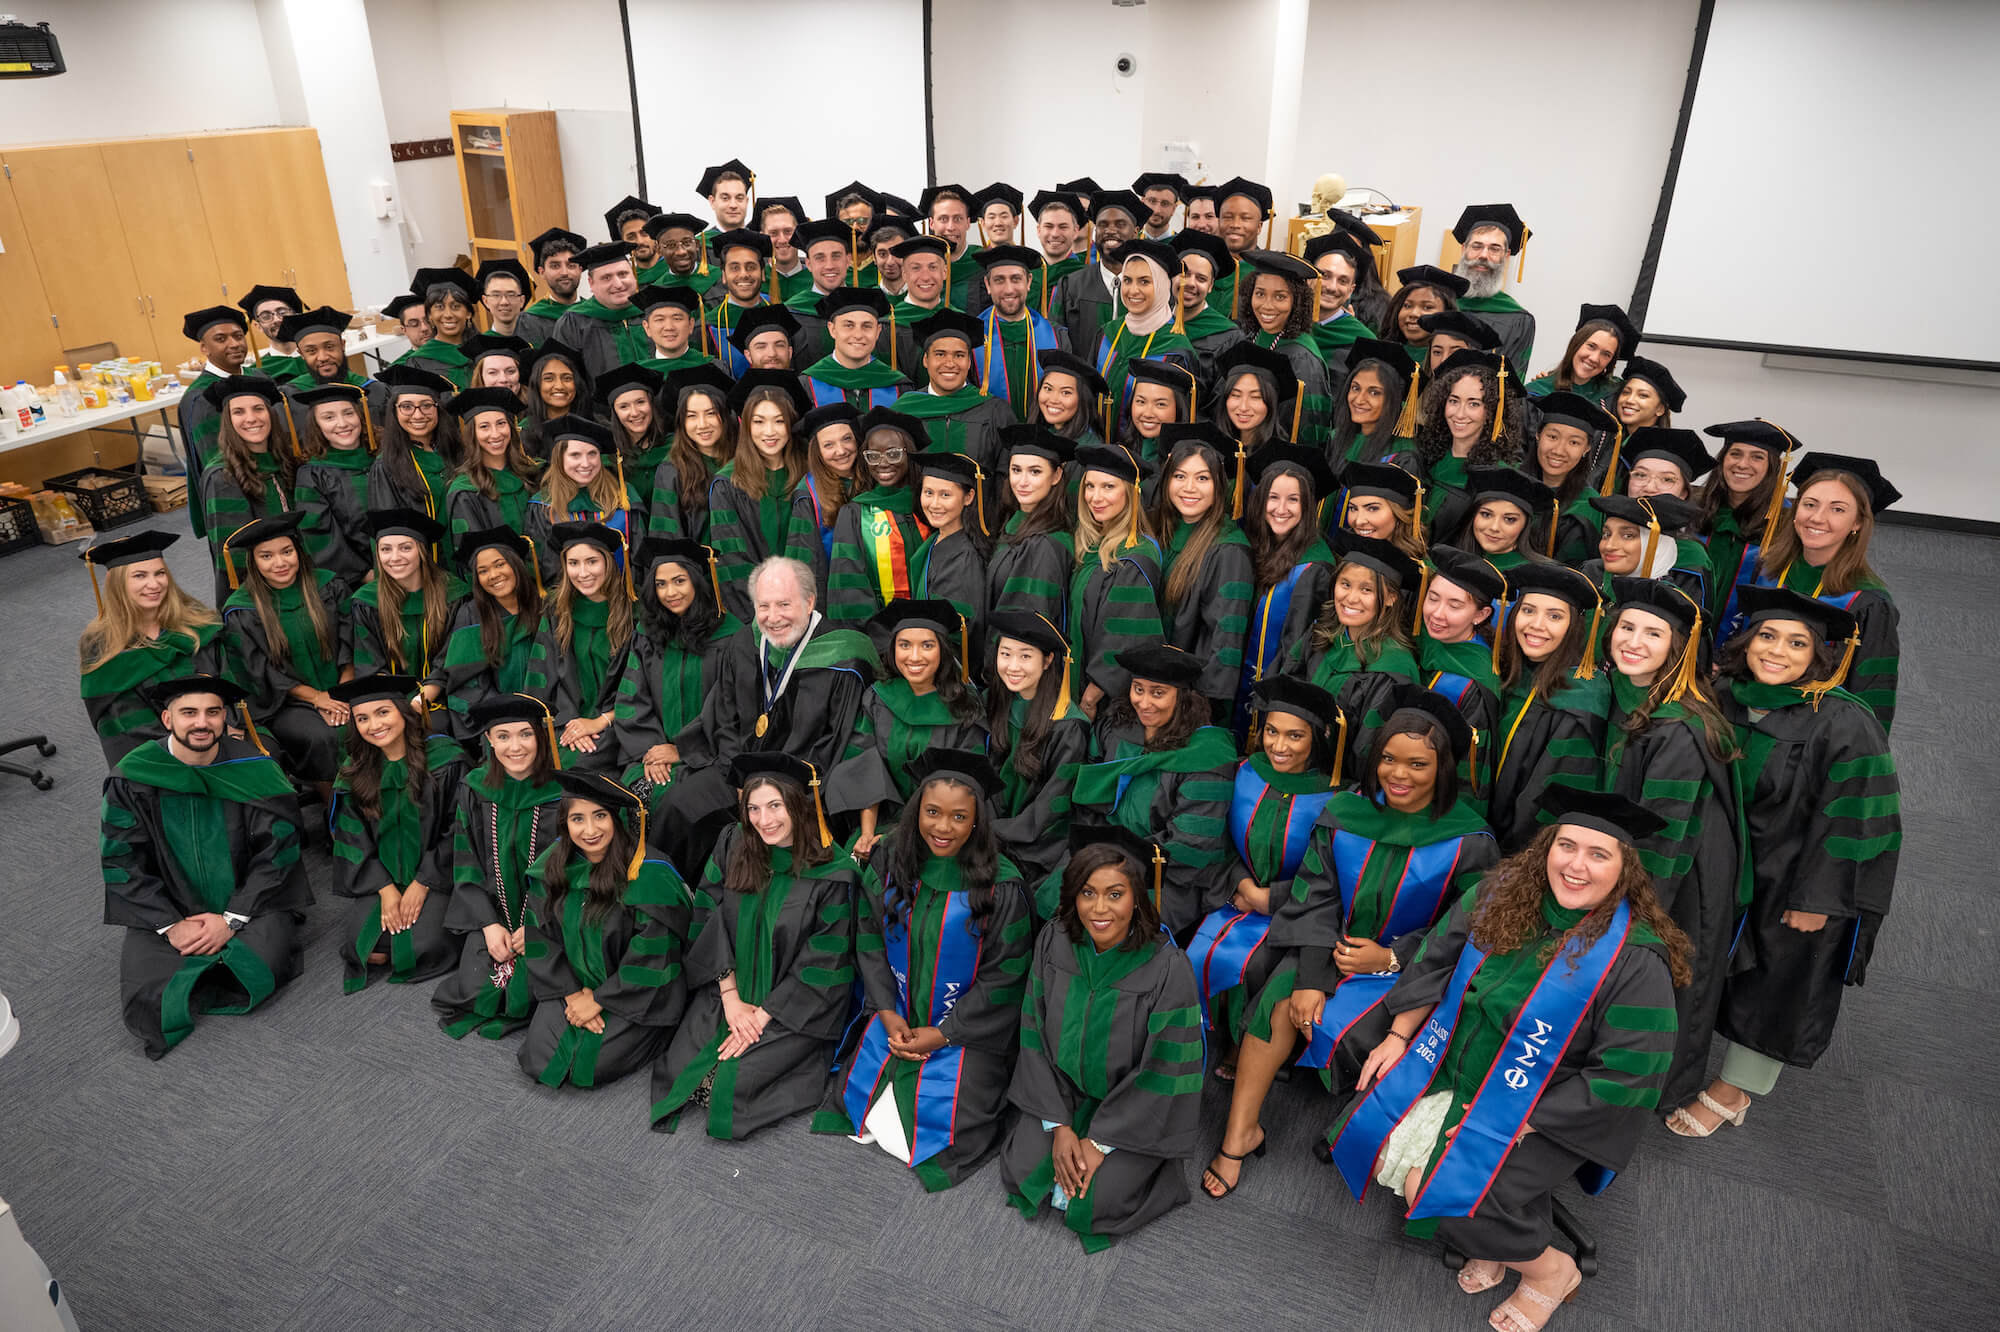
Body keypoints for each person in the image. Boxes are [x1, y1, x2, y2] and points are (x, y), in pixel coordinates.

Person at [1326, 789, 1688, 1331]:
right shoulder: (1500, 894)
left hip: (1552, 1109)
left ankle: (1548, 1269)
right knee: (1372, 1135)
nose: (1576, 865)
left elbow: (1627, 1077)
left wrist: (1517, 1120)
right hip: (1453, 1060)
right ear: (1547, 848)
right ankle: (1497, 1231)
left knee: (1434, 1191)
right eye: (1567, 846)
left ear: (1625, 871)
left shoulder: (1634, 960)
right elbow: (1435, 960)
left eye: (1598, 855)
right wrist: (1400, 1036)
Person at [1203, 688, 1497, 1199]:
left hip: (1414, 971)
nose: (1398, 775)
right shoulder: (1345, 814)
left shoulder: (1469, 841)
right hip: (1331, 947)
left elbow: (1465, 931)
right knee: (1277, 1003)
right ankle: (1239, 1134)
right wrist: (1313, 976)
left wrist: (1392, 956)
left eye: (1417, 764)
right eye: (1387, 758)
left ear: (1443, 768)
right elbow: (1316, 896)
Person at [1679, 587, 1900, 1137]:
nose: (1777, 651)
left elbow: (1861, 819)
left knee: (1782, 973)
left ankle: (1735, 1088)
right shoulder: (1723, 693)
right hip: (1726, 862)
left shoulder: (1845, 723)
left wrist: (1819, 899)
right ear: (1747, 641)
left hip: (1799, 874)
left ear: (1820, 656)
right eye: (1767, 636)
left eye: (1797, 643)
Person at [819, 751, 1033, 1190]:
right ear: (917, 811)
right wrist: (885, 1009)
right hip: (896, 1008)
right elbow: (870, 937)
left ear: (976, 821)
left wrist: (945, 1032)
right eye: (932, 812)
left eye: (959, 817)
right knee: (857, 1092)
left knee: (955, 1117)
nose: (943, 827)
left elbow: (1003, 980)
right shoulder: (892, 858)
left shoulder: (1000, 886)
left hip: (966, 1028)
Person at [1001, 826, 1205, 1251]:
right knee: (1026, 1169)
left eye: (1115, 894)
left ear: (1137, 897)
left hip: (1131, 1112)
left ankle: (1127, 1156)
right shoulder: (1054, 940)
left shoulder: (1168, 969)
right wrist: (1058, 1127)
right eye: (1087, 893)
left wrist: (1099, 1141)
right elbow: (1034, 1031)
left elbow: (1164, 1070)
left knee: (1100, 1199)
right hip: (1063, 1094)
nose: (1100, 909)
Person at [100, 674, 312, 1059]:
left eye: (212, 712)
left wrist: (231, 917)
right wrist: (170, 924)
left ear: (223, 718)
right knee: (147, 995)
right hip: (172, 903)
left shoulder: (255, 770)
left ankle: (225, 943)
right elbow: (121, 860)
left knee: (265, 964)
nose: (201, 722)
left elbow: (278, 852)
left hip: (248, 899)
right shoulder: (134, 777)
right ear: (167, 720)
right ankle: (192, 947)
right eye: (189, 713)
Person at [648, 753, 859, 1138]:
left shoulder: (833, 872)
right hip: (729, 986)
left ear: (798, 804)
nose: (765, 821)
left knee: (736, 1080)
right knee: (683, 1066)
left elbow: (825, 961)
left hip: (795, 1007)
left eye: (776, 806)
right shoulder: (734, 843)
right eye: (755, 808)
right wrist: (730, 998)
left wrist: (761, 1016)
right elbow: (708, 913)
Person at [1601, 577, 1742, 1118]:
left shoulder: (1678, 728)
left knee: (1673, 970)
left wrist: (1635, 909)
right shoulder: (1639, 696)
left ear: (1677, 650)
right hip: (1654, 851)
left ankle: (1664, 1087)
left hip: (1682, 868)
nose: (1633, 640)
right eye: (1626, 627)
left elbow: (1663, 832)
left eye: (1653, 634)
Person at [658, 557, 878, 875]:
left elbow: (837, 742)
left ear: (809, 602)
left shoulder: (844, 658)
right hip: (739, 772)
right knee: (678, 807)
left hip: (801, 784)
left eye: (784, 604)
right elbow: (725, 717)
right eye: (764, 606)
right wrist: (739, 775)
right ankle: (684, 896)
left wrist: (777, 788)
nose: (773, 618)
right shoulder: (747, 642)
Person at [1186, 678, 1345, 1070]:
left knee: (1256, 964)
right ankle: (1198, 1036)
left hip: (1297, 912)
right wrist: (1243, 884)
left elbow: (1333, 879)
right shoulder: (1246, 772)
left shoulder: (1336, 797)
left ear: (1319, 737)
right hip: (1236, 894)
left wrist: (1269, 899)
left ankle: (1245, 1044)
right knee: (1197, 950)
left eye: (1295, 736)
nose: (1278, 746)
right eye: (1272, 731)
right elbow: (1219, 839)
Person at [519, 770, 692, 1089]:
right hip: (572, 983)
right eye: (578, 819)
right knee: (539, 1058)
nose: (589, 830)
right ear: (564, 823)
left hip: (636, 993)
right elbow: (541, 936)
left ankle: (656, 1032)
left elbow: (653, 957)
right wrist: (572, 993)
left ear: (616, 819)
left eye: (600, 816)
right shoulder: (554, 866)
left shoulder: (647, 875)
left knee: (590, 1066)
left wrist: (598, 999)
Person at [1062, 644, 1237, 936]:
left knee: (1117, 923)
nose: (1144, 703)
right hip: (1104, 855)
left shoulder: (1207, 755)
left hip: (1166, 878)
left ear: (1182, 697)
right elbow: (1090, 806)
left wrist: (1117, 868)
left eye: (1158, 693)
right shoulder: (1119, 730)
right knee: (1058, 901)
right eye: (1138, 689)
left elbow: (1191, 846)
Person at [1733, 452, 1902, 732]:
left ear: (1858, 523)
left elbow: (1872, 694)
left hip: (1810, 731)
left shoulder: (1868, 602)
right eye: (1810, 504)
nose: (1817, 518)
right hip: (1742, 712)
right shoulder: (1765, 569)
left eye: (1838, 509)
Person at [432, 693, 565, 1040]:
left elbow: (575, 873)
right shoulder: (475, 789)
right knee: (474, 990)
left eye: (525, 734)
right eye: (503, 736)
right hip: (491, 910)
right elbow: (467, 862)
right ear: (489, 740)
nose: (515, 747)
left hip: (550, 919)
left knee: (531, 994)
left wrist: (537, 925)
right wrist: (489, 924)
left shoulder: (564, 795)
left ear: (541, 736)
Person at [329, 674, 466, 992]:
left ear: (403, 712)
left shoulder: (445, 760)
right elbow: (353, 839)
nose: (374, 725)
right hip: (382, 876)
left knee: (424, 946)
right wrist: (386, 889)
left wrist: (422, 883)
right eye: (362, 718)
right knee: (365, 948)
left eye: (383, 712)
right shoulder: (356, 770)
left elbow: (458, 830)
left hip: (436, 875)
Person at [834, 599, 990, 855]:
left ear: (943, 650)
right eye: (904, 645)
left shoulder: (964, 708)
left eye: (927, 645)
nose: (914, 656)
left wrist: (903, 833)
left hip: (942, 829)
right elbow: (864, 766)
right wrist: (866, 833)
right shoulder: (877, 698)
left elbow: (963, 790)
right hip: (881, 821)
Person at [611, 539, 741, 827]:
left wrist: (683, 750)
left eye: (679, 581)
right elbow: (632, 698)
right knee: (635, 797)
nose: (670, 592)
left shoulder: (731, 638)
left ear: (697, 581)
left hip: (707, 757)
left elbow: (728, 707)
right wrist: (653, 749)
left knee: (675, 805)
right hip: (651, 753)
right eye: (661, 584)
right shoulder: (647, 634)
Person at [220, 513, 350, 797]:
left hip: (342, 686)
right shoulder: (242, 610)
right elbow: (260, 672)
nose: (279, 563)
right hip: (285, 702)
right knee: (322, 736)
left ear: (299, 552)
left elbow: (351, 642)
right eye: (266, 556)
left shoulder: (329, 586)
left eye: (287, 551)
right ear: (253, 562)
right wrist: (317, 698)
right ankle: (337, 817)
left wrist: (344, 693)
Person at [1487, 564, 1610, 853]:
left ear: (1573, 627)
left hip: (1522, 854)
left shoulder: (1581, 697)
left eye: (1554, 616)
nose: (1536, 625)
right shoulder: (1507, 674)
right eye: (1528, 610)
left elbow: (1546, 805)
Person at [78, 531, 224, 766]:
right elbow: (124, 724)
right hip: (162, 757)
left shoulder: (198, 622)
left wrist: (228, 731)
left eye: (160, 573)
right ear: (118, 585)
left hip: (224, 735)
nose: (154, 584)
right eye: (139, 576)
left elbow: (232, 680)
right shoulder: (103, 646)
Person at [1282, 534, 1422, 767]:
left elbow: (1372, 748)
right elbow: (1288, 682)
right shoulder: (1319, 635)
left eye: (1366, 590)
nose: (1351, 598)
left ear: (1391, 598)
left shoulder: (1393, 668)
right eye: (1345, 584)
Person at [1150, 423, 1253, 722]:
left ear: (1219, 485)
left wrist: (1204, 710)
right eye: (1180, 476)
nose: (1189, 488)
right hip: (1152, 688)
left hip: (1190, 701)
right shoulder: (1158, 532)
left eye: (1202, 478)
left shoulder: (1230, 550)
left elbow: (1226, 640)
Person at [986, 611, 1090, 884]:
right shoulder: (995, 703)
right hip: (989, 831)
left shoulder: (1068, 726)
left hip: (1037, 847)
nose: (1013, 666)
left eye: (1025, 656)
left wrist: (992, 832)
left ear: (1048, 661)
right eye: (1005, 653)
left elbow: (1052, 807)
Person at [1238, 445, 1341, 723]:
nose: (1281, 509)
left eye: (1293, 500)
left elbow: (1296, 651)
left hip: (1273, 701)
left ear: (1307, 506)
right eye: (1273, 497)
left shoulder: (1314, 569)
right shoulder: (1255, 546)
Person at [521, 522, 635, 771]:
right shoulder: (557, 611)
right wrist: (569, 722)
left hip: (620, 724)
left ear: (608, 561)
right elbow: (541, 676)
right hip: (567, 722)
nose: (583, 573)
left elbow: (642, 687)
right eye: (573, 563)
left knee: (573, 766)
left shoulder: (633, 613)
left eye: (592, 561)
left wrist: (598, 722)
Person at [708, 371, 821, 621]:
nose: (769, 432)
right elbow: (733, 560)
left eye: (779, 421)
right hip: (759, 616)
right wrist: (772, 613)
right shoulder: (727, 484)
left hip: (812, 608)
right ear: (746, 425)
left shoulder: (812, 474)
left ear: (791, 423)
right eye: (759, 422)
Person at [1067, 445, 1166, 717]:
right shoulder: (1090, 546)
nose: (1095, 497)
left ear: (1131, 493)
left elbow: (1126, 633)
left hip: (1105, 702)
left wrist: (1093, 693)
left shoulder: (1135, 555)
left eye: (1108, 487)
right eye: (1090, 486)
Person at [893, 310, 1019, 509]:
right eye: (940, 354)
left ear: (969, 362)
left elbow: (1006, 479)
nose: (950, 363)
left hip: (980, 526)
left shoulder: (995, 411)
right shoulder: (903, 412)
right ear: (926, 360)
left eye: (959, 355)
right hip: (917, 525)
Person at [1415, 545, 1508, 800]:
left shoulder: (1474, 682)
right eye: (1432, 598)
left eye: (1454, 605)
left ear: (1481, 615)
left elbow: (1470, 768)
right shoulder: (1423, 642)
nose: (1437, 613)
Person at [197, 376, 298, 604]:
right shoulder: (223, 476)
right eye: (239, 412)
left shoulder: (284, 460)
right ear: (228, 420)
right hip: (260, 595)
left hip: (294, 574)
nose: (251, 419)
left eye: (258, 409)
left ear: (270, 413)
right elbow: (234, 553)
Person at [435, 528, 542, 741]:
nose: (493, 575)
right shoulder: (471, 614)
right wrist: (505, 717)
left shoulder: (545, 608)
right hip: (495, 722)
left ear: (516, 564)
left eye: (500, 564)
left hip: (547, 715)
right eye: (482, 571)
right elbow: (466, 680)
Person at [824, 407, 929, 623]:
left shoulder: (929, 507)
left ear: (909, 454)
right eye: (873, 455)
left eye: (893, 454)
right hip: (878, 636)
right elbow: (849, 590)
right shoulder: (855, 514)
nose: (882, 463)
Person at [1410, 351, 1527, 528]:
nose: (1460, 413)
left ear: (1493, 410)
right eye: (1454, 401)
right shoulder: (1425, 459)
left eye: (1474, 404)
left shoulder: (1501, 478)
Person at [347, 509, 463, 683]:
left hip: (447, 696)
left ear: (422, 551)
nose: (395, 557)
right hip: (390, 700)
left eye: (405, 548)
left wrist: (423, 698)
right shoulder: (367, 603)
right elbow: (370, 668)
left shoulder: (455, 595)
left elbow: (457, 659)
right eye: (386, 549)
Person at [1091, 240, 1195, 428]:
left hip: (1147, 452)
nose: (1133, 290)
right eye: (1127, 280)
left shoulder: (1176, 349)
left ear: (1163, 285)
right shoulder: (1108, 333)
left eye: (1145, 281)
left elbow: (1180, 418)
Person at [1696, 418, 1792, 620]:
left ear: (1772, 467)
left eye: (1757, 457)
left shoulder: (1786, 523)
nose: (1742, 464)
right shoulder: (1696, 511)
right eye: (1735, 454)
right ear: (1722, 459)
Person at [1238, 249, 1334, 447]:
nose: (1267, 305)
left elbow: (1309, 430)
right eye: (1260, 294)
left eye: (1280, 297)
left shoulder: (1302, 359)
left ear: (1296, 302)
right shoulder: (1250, 340)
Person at [524, 417, 636, 582]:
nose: (585, 463)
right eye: (575, 455)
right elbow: (545, 568)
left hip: (623, 598)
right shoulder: (543, 505)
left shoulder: (624, 497)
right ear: (559, 458)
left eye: (592, 454)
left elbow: (638, 560)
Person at [292, 382, 378, 585]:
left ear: (361, 415)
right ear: (317, 425)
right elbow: (319, 535)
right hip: (360, 582)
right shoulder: (312, 475)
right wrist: (364, 574)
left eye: (348, 413)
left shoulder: (383, 458)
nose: (342, 423)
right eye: (328, 417)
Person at [972, 244, 1066, 420]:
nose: (1009, 289)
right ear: (988, 284)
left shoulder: (1057, 337)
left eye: (1016, 279)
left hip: (1042, 439)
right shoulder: (972, 337)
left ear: (1029, 282)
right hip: (988, 438)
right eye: (999, 280)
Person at [649, 363, 737, 544]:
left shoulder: (743, 459)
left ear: (724, 415)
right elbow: (667, 541)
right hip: (699, 569)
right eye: (691, 416)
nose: (702, 424)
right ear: (681, 422)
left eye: (711, 413)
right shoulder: (671, 471)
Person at [443, 387, 538, 546]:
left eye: (501, 423)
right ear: (472, 434)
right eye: (484, 426)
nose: (495, 434)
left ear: (511, 427)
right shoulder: (466, 491)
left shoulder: (531, 474)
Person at [1051, 190, 1143, 354]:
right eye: (1103, 224)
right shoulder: (1071, 285)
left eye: (1120, 224)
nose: (1110, 230)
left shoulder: (1150, 287)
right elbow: (1057, 344)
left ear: (1135, 232)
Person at [1449, 203, 1537, 366]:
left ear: (1506, 255)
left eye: (1494, 249)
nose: (1483, 255)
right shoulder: (1439, 303)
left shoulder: (1518, 320)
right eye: (1477, 246)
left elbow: (1511, 384)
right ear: (1463, 249)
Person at [910, 447, 989, 627]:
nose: (934, 504)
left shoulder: (965, 557)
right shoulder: (935, 540)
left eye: (945, 495)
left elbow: (959, 630)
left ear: (968, 497)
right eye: (928, 492)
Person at [368, 366, 457, 522]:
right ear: (394, 411)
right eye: (406, 407)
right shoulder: (386, 466)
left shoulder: (457, 450)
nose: (418, 415)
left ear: (438, 409)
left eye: (426, 405)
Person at [176, 304, 254, 480]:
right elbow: (214, 460)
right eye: (221, 339)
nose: (234, 344)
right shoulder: (200, 397)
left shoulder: (258, 378)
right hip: (237, 485)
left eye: (238, 336)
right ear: (204, 348)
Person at [801, 286, 910, 410]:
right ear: (832, 329)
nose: (858, 335)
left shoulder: (898, 386)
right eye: (849, 325)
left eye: (867, 326)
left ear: (878, 331)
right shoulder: (807, 384)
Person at [552, 242, 647, 382]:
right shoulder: (573, 323)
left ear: (634, 276)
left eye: (623, 274)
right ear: (591, 283)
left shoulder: (653, 311)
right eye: (606, 278)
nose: (618, 284)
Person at [1449, 467, 1558, 578]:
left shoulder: (1536, 576)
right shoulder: (1453, 561)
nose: (1494, 527)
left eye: (1509, 519)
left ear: (1525, 525)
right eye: (1486, 514)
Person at [596, 363, 672, 519]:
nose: (635, 413)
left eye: (640, 402)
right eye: (624, 406)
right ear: (615, 413)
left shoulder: (674, 447)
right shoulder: (607, 460)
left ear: (651, 403)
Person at [1171, 229, 1249, 380]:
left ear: (1211, 285)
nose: (1190, 283)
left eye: (1201, 279)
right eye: (1184, 274)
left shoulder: (1229, 338)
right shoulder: (1155, 324)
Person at [1526, 304, 1638, 405]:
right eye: (1591, 346)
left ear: (1611, 362)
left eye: (1606, 354)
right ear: (1575, 344)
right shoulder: (1538, 391)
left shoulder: (1616, 394)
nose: (1594, 358)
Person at [1331, 339, 1419, 466]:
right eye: (1355, 388)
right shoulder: (1337, 439)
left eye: (1374, 393)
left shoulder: (1402, 456)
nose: (1359, 400)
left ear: (1394, 400)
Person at [702, 229, 776, 377]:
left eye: (751, 267)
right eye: (735, 268)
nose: (743, 274)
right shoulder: (708, 326)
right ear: (723, 276)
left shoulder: (780, 316)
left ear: (762, 273)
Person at [1303, 231, 1379, 375]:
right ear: (1309, 278)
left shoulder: (1364, 341)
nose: (1332, 287)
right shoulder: (1287, 323)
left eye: (1342, 281)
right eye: (1325, 276)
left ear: (1351, 290)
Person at [400, 267, 482, 389]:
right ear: (430, 316)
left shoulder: (484, 350)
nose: (448, 315)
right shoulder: (418, 362)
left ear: (468, 313)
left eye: (456, 306)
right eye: (439, 307)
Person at [1210, 178, 1276, 319]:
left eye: (1245, 218)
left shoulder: (1271, 273)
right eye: (1227, 217)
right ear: (1219, 221)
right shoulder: (1204, 268)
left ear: (1259, 226)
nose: (1235, 224)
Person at [1340, 460, 1429, 564]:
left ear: (1399, 515)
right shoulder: (1341, 556)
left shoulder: (1421, 574)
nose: (1359, 521)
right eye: (1353, 508)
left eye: (1372, 508)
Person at [519, 341, 593, 460]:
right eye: (549, 379)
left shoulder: (596, 428)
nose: (559, 386)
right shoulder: (522, 434)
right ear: (536, 385)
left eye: (567, 378)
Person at [1386, 265, 1470, 366]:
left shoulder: (1454, 362)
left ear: (1448, 315)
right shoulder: (1383, 352)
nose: (1414, 313)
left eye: (1427, 307)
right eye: (1407, 306)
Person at [518, 226, 588, 345]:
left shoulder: (593, 313)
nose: (564, 272)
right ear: (542, 272)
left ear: (580, 269)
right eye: (555, 266)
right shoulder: (530, 320)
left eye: (571, 265)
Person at [1027, 189, 1088, 318]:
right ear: (1038, 230)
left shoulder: (1087, 278)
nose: (1055, 234)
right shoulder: (1025, 275)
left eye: (1063, 227)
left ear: (1075, 231)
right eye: (1048, 226)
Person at [1029, 348, 1109, 446]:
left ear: (1082, 400)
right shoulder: (1037, 435)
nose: (1053, 400)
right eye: (1048, 389)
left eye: (1066, 392)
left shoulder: (1089, 448)